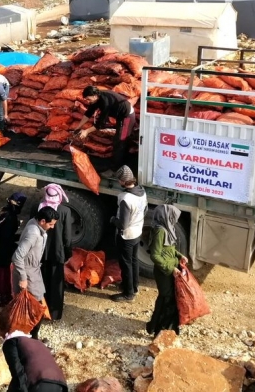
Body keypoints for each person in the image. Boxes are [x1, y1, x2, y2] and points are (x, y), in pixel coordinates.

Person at [12, 207, 59, 339]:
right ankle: (33, 337)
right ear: (42, 221)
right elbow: (17, 256)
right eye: (51, 224)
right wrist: (23, 278)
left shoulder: (33, 222)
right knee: (37, 305)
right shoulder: (33, 233)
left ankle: (25, 333)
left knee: (30, 304)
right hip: (28, 272)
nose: (52, 227)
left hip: (33, 270)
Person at [74, 86, 136, 175]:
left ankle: (117, 168)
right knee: (118, 139)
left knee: (120, 140)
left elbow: (100, 124)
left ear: (94, 95)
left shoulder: (105, 102)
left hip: (127, 117)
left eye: (88, 99)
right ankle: (120, 161)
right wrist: (79, 127)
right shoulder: (95, 100)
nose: (88, 101)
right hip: (120, 117)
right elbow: (88, 113)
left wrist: (86, 131)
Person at [146, 204, 187, 337]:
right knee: (167, 299)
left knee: (167, 299)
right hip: (164, 272)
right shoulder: (160, 231)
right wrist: (171, 268)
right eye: (173, 217)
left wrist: (180, 256)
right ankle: (161, 329)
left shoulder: (168, 229)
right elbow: (155, 255)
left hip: (170, 270)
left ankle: (155, 326)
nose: (175, 220)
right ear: (166, 217)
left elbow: (169, 249)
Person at [32, 185, 72, 320]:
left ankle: (41, 310)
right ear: (59, 196)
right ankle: (55, 314)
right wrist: (68, 252)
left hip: (41, 252)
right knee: (56, 283)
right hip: (57, 253)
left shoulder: (39, 208)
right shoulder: (65, 211)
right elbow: (67, 236)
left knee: (41, 281)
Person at [110, 166, 147, 303]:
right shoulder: (142, 192)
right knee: (134, 260)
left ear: (122, 181)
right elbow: (145, 210)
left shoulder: (126, 198)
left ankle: (128, 293)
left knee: (126, 264)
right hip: (138, 231)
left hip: (127, 235)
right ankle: (134, 286)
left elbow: (123, 224)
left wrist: (113, 220)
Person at [0, 193, 27, 307]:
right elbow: (7, 238)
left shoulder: (4, 211)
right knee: (1, 276)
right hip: (1, 251)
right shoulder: (12, 218)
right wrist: (20, 241)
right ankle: (1, 299)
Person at [2, 330, 68, 392]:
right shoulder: (39, 343)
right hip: (60, 385)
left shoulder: (11, 342)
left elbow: (17, 372)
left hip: (40, 384)